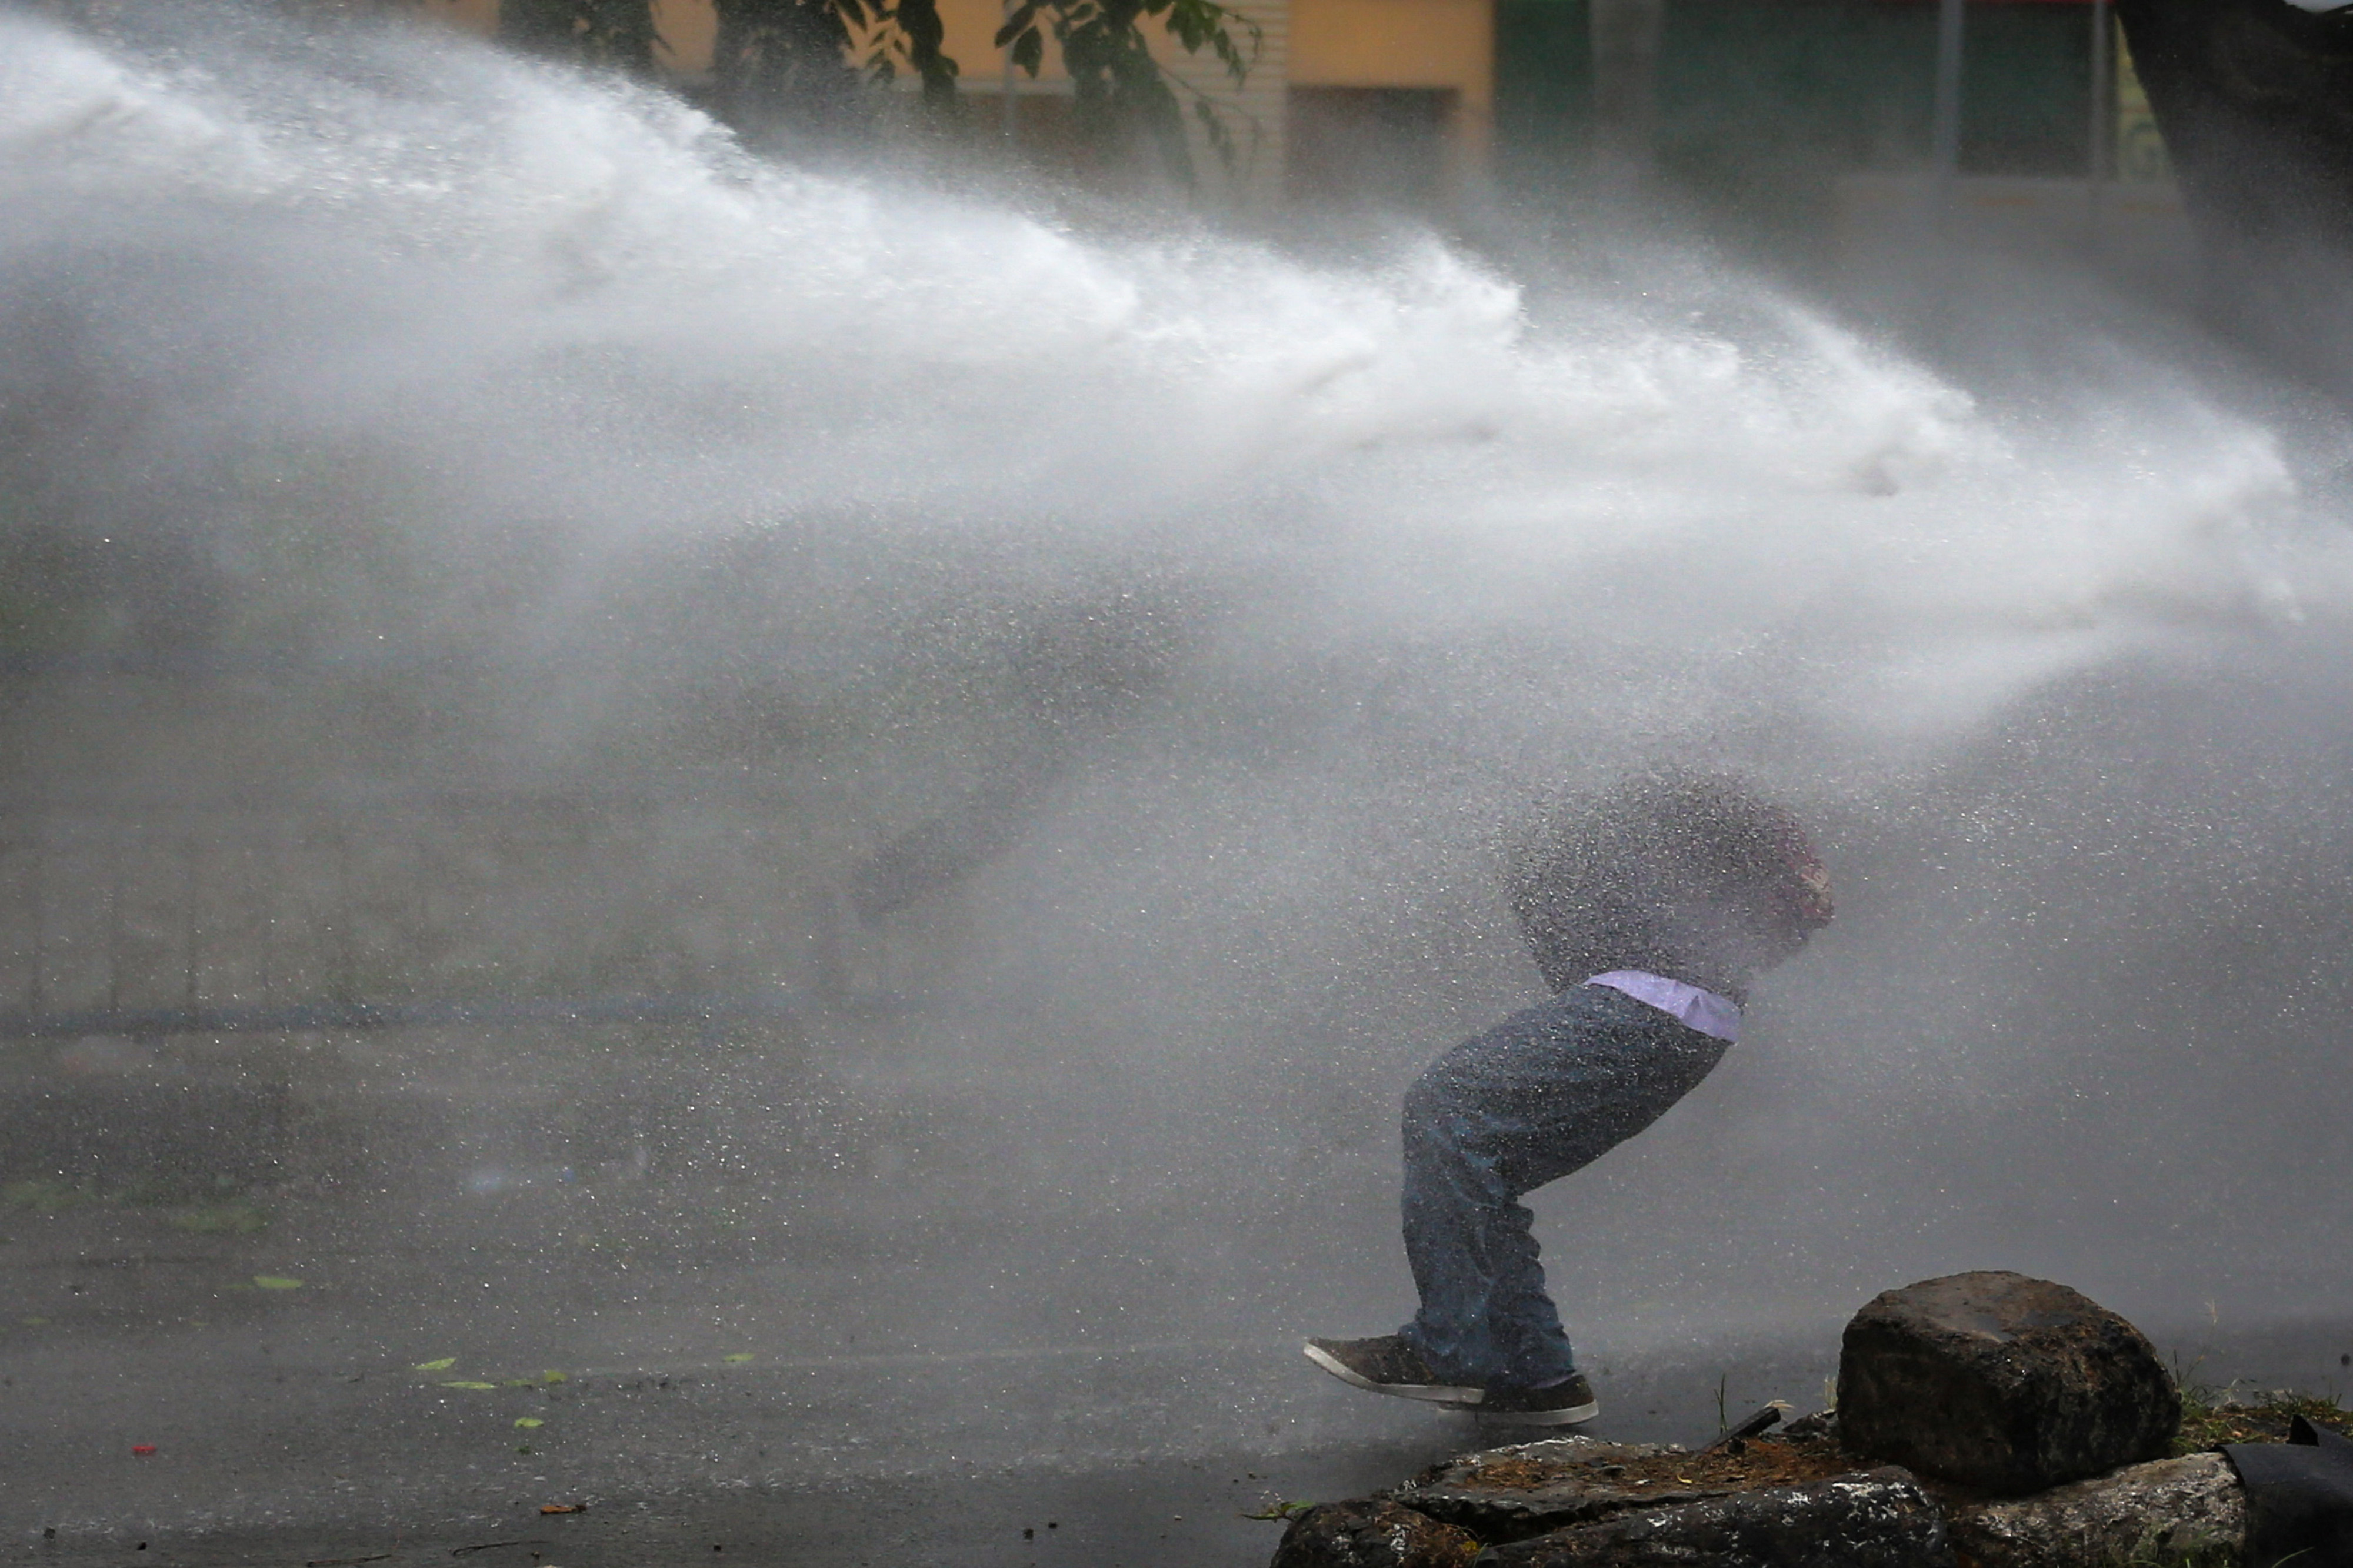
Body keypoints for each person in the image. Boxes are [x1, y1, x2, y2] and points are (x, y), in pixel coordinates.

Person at [1304, 772, 1835, 1424]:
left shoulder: (1631, 804)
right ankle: (1536, 1375)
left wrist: (1771, 881)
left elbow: (1792, 878)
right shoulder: (1561, 844)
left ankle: (1450, 1351)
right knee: (1484, 1163)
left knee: (1446, 1105)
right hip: (1680, 1018)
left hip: (1651, 998)